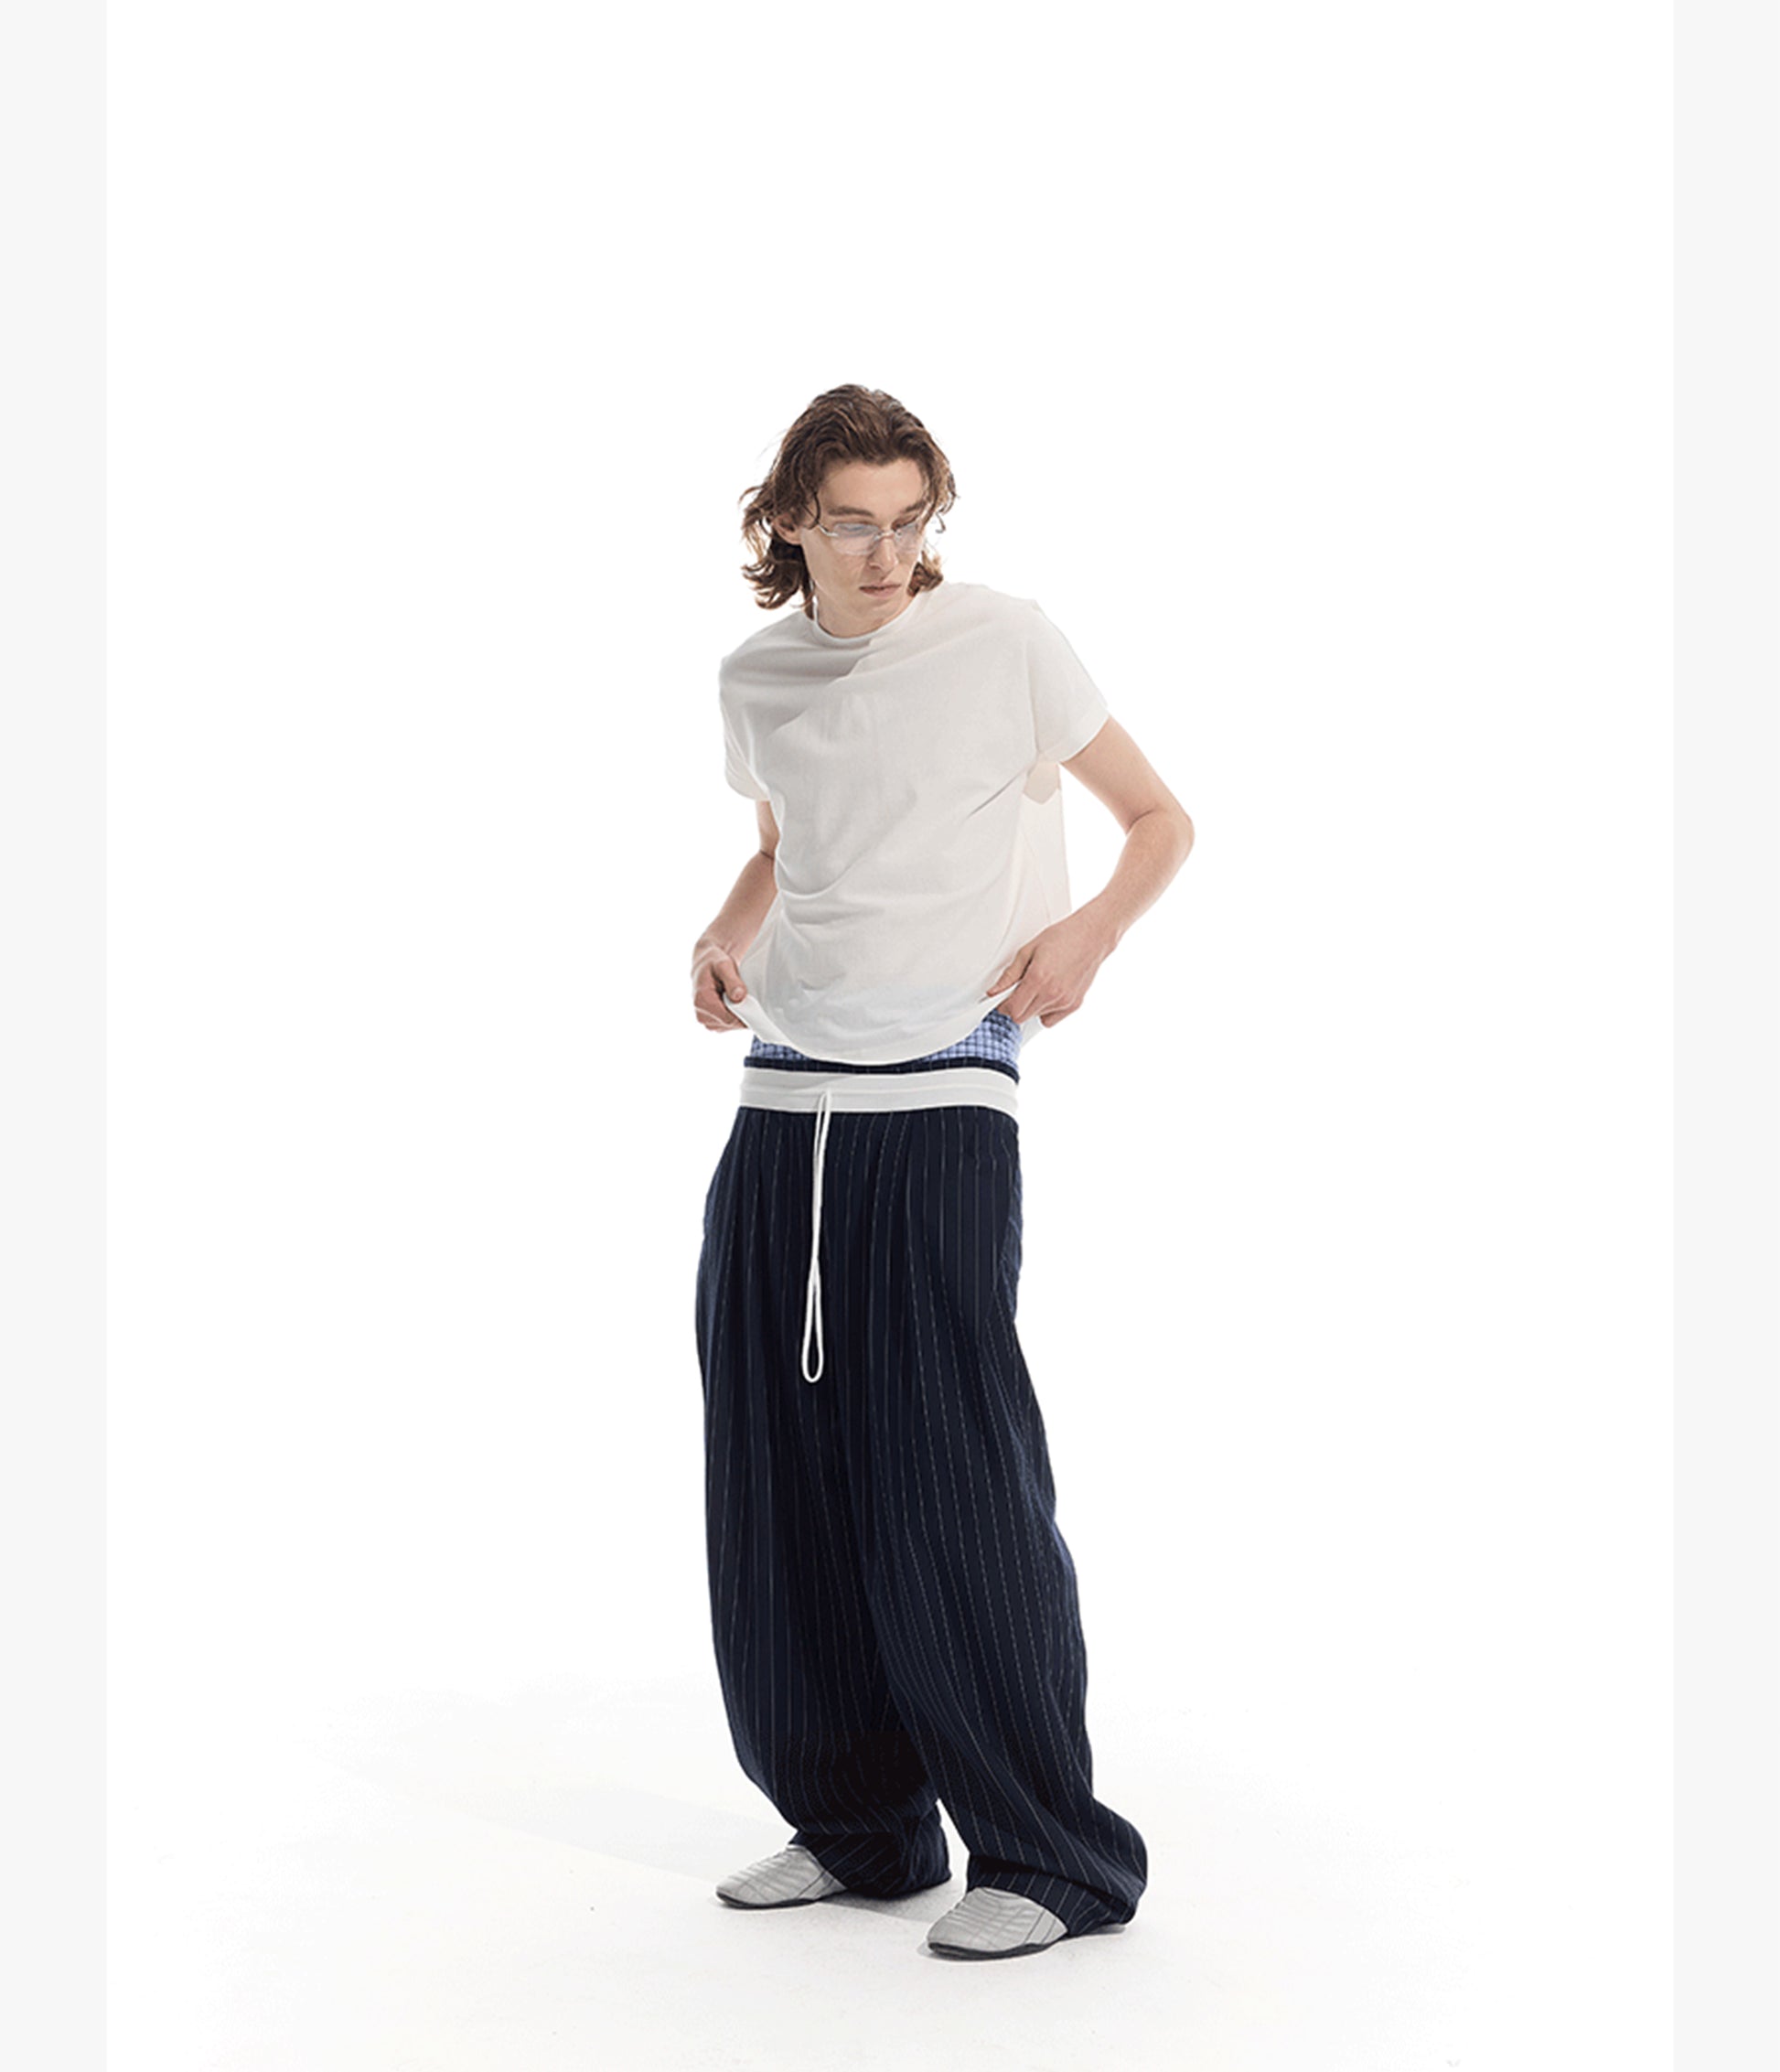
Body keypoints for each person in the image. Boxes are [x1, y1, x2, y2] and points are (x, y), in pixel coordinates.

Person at [690, 384, 1194, 1961]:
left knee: (947, 1474)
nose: (887, 553)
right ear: (789, 522)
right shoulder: (758, 675)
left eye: (911, 521)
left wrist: (1086, 936)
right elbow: (785, 845)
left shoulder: (1005, 642)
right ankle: (859, 1827)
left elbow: (1158, 819)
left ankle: (1050, 1855)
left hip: (943, 1079)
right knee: (777, 1475)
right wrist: (723, 932)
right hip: (785, 1090)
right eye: (853, 523)